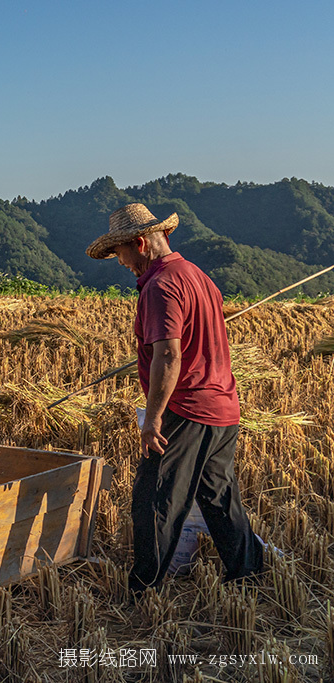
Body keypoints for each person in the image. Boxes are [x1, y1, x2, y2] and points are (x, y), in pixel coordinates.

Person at [86, 203, 263, 593]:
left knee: (153, 501)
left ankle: (144, 589)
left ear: (140, 243)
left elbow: (169, 354)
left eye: (121, 253)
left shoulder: (160, 286)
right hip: (223, 407)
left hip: (187, 409)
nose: (121, 262)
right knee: (217, 495)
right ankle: (248, 571)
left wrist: (152, 420)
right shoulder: (198, 277)